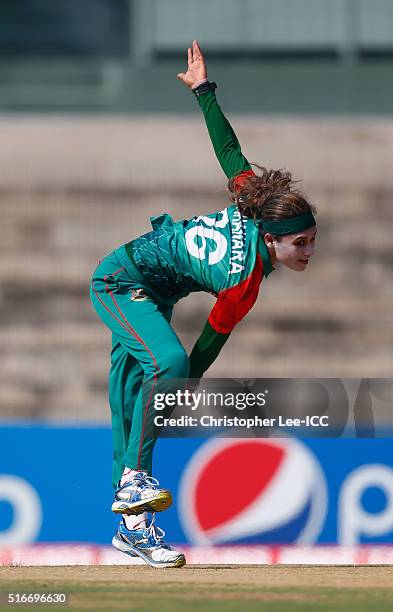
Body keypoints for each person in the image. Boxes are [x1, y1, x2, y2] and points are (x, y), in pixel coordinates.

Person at [90, 40, 317, 569]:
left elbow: (230, 153)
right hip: (121, 281)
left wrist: (204, 92)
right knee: (165, 367)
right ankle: (133, 486)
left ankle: (134, 530)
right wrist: (176, 389)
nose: (309, 251)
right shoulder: (245, 281)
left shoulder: (252, 198)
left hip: (156, 294)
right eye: (300, 242)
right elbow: (205, 347)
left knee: (130, 409)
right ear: (274, 238)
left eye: (311, 240)